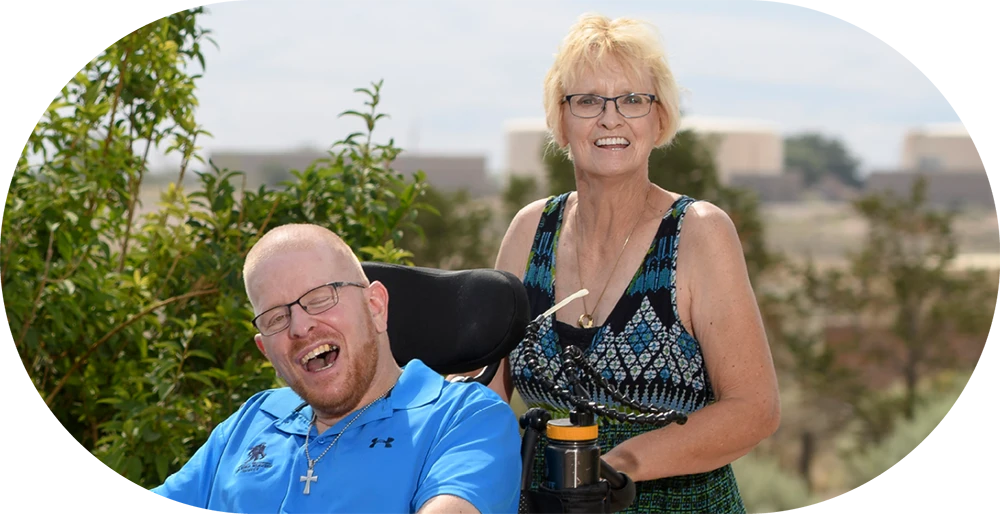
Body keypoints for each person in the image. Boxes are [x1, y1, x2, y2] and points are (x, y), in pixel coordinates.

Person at [487, 13, 781, 513]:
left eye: (632, 99)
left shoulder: (699, 233)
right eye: (586, 101)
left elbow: (755, 410)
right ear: (560, 120)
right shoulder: (528, 230)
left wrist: (618, 465)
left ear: (660, 117)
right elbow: (488, 396)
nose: (610, 118)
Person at [149, 223, 523, 514]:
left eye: (318, 298)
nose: (300, 327)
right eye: (276, 318)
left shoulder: (463, 419)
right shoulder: (251, 421)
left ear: (375, 306)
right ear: (266, 350)